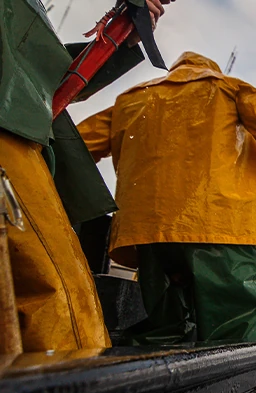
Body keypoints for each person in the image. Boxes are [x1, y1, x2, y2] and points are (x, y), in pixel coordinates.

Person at [77, 52, 256, 345]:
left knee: (164, 321)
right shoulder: (227, 87)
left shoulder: (129, 100)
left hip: (147, 230)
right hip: (219, 223)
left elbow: (77, 145)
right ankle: (237, 377)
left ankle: (151, 371)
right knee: (235, 320)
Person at [0, 0, 175, 354]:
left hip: (25, 132)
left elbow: (46, 82)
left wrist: (120, 38)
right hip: (12, 137)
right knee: (61, 294)